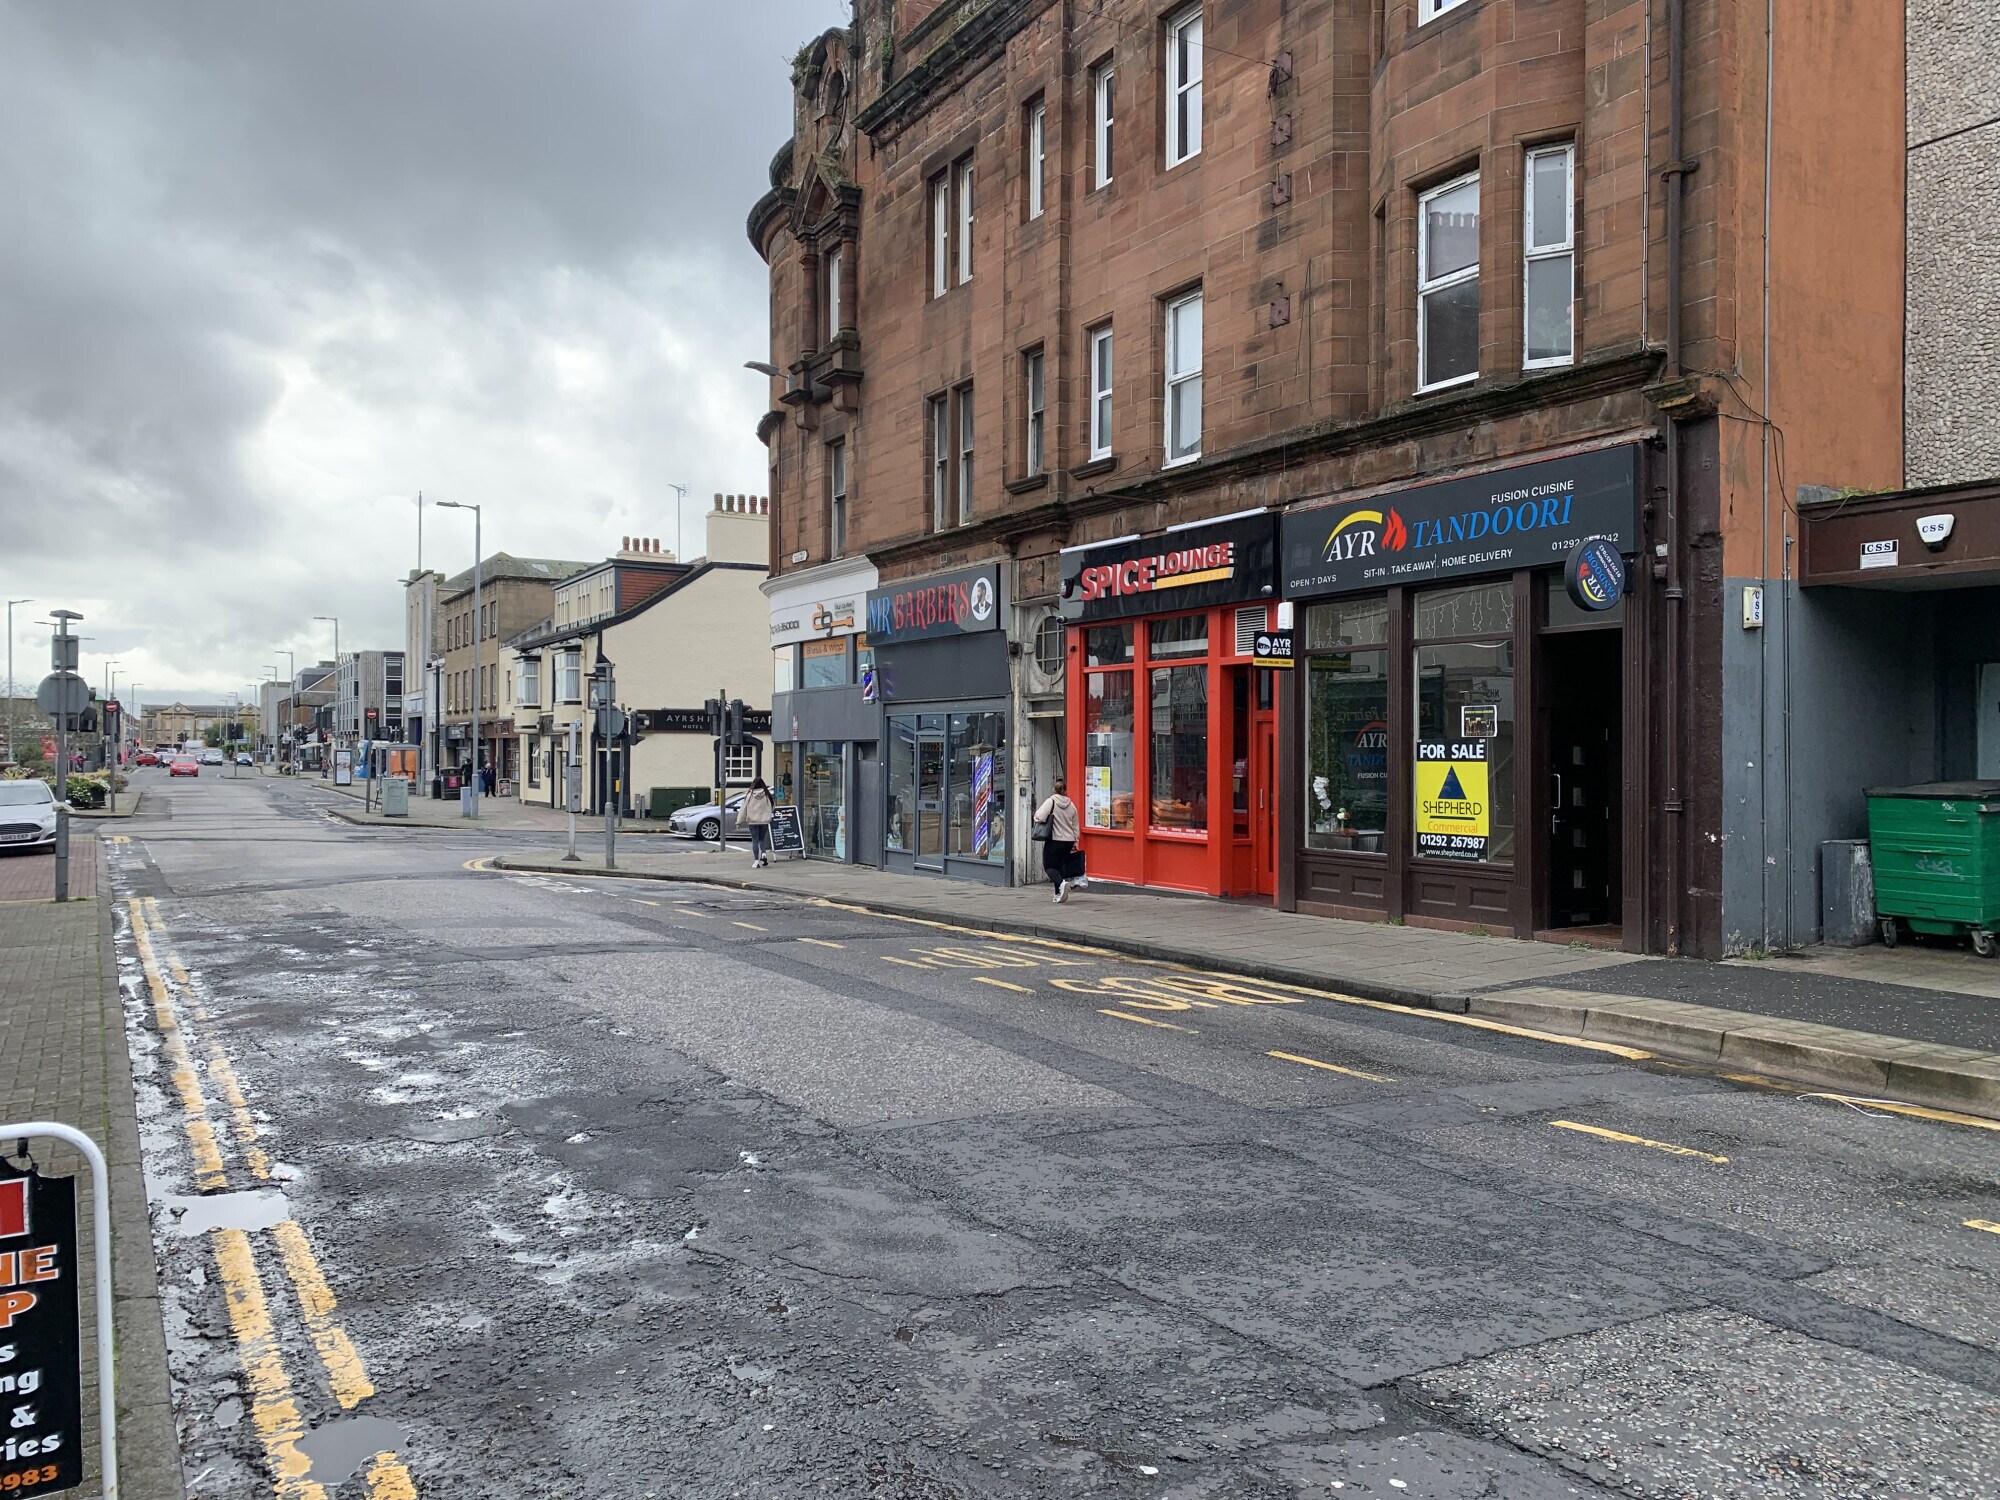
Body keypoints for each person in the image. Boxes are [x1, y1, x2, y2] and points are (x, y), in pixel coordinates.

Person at [1035, 778, 1080, 903]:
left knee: (1049, 866)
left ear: (1054, 790)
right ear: (1065, 791)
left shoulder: (1051, 801)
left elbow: (1039, 816)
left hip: (1055, 839)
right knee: (1059, 867)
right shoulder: (1072, 805)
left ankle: (1061, 883)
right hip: (1069, 840)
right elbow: (1076, 826)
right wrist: (1075, 842)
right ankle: (1058, 894)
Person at [742, 777, 776, 866]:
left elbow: (743, 808)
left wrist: (739, 821)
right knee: (762, 839)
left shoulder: (749, 795)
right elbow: (772, 807)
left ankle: (756, 861)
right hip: (764, 821)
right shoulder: (767, 795)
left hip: (753, 821)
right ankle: (764, 854)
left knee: (755, 841)